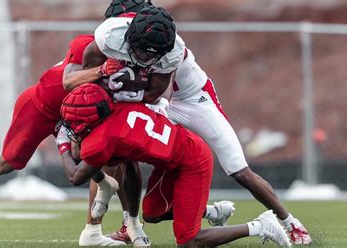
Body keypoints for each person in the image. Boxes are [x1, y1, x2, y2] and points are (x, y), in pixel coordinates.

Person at [64, 1, 312, 245]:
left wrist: (114, 92)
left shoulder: (172, 48)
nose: (145, 58)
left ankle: (290, 222)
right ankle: (132, 223)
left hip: (191, 98)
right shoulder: (110, 36)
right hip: (152, 100)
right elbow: (85, 81)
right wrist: (103, 82)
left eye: (152, 54)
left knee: (239, 170)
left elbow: (156, 93)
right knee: (128, 159)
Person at [56, 83, 291, 247]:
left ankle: (260, 226)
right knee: (153, 213)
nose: (72, 125)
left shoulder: (102, 140)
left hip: (192, 161)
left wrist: (63, 144)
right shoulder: (119, 107)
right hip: (172, 157)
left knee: (188, 241)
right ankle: (213, 212)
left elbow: (76, 176)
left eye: (76, 120)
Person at [0, 35, 132, 246]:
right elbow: (68, 80)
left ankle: (104, 228)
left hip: (76, 112)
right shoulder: (89, 45)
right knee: (8, 163)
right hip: (41, 106)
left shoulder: (132, 58)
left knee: (104, 156)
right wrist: (101, 71)